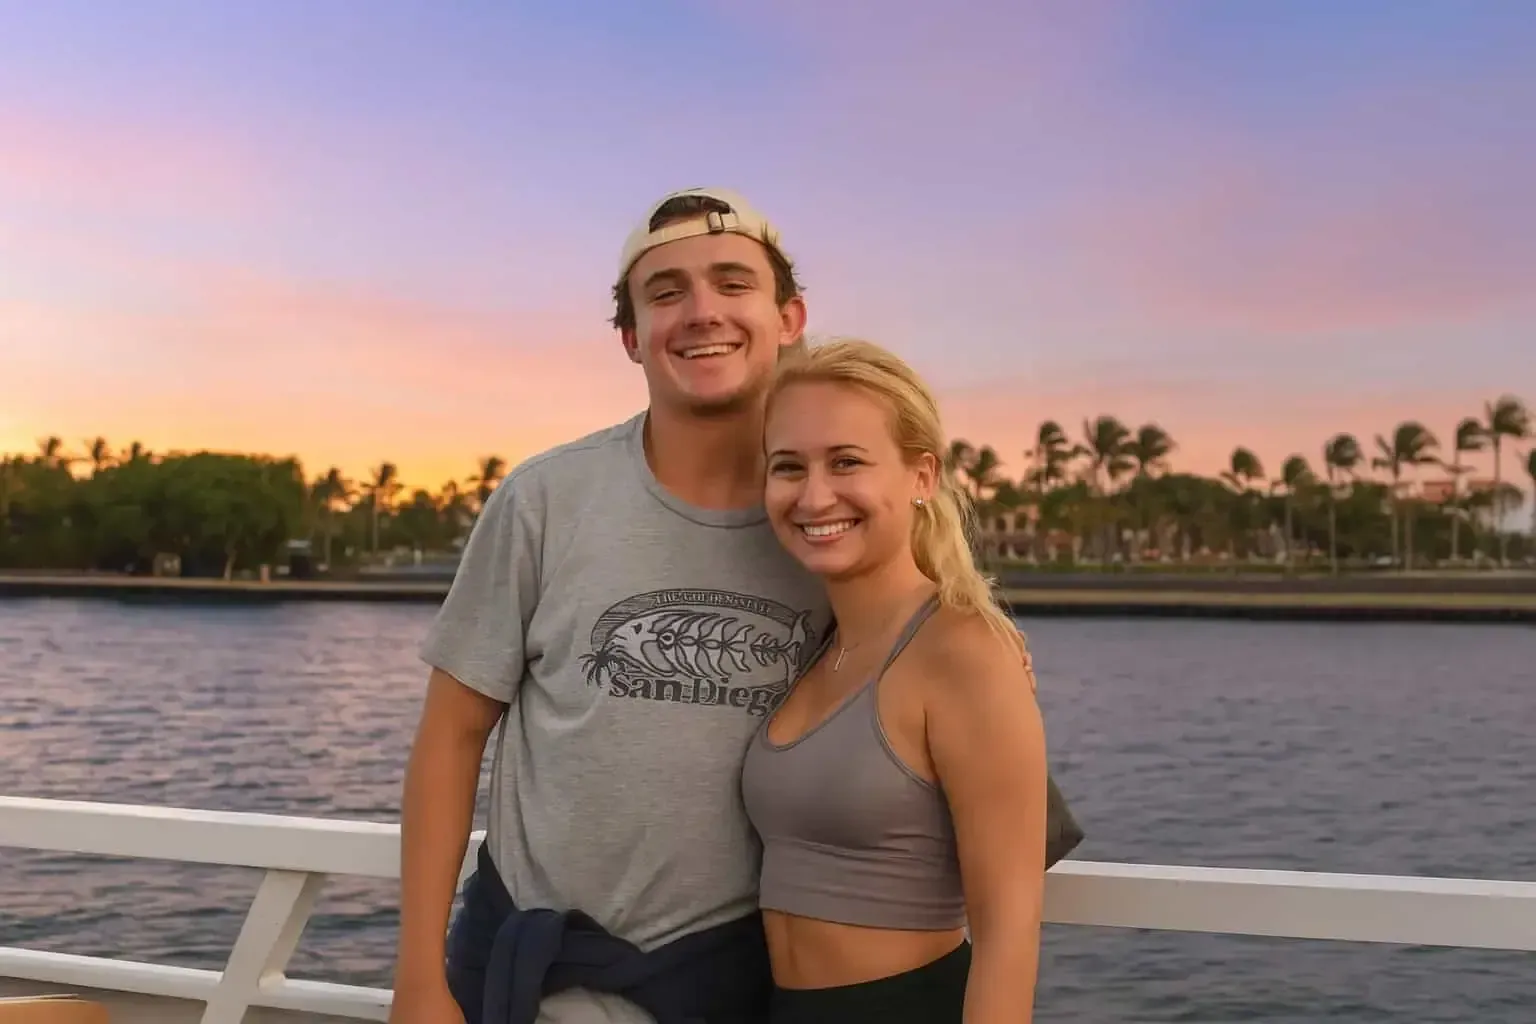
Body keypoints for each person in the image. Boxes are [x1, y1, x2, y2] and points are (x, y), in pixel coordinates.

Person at [387, 187, 834, 1024]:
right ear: (631, 338)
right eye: (665, 294)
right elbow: (451, 737)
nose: (702, 313)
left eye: (733, 284)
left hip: (729, 983)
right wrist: (417, 978)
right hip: (523, 974)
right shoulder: (544, 499)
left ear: (790, 317)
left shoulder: (830, 523)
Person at [741, 338, 1049, 1023]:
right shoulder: (817, 648)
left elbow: (1009, 930)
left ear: (922, 477)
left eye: (847, 461)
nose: (815, 495)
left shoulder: (964, 651)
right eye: (788, 466)